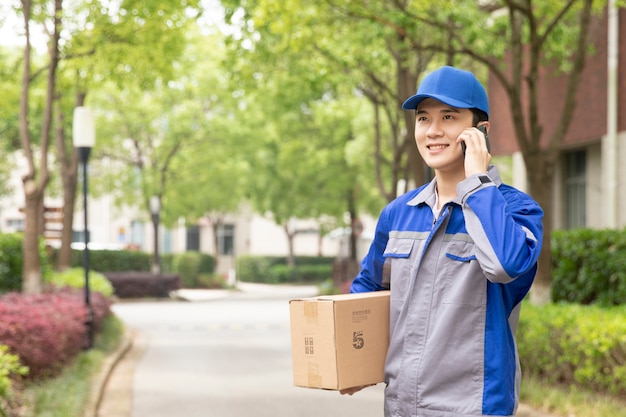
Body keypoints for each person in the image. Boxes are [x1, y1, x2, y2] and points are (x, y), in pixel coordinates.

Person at [342, 66, 544, 417]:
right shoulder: (398, 213)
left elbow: (505, 265)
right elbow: (368, 291)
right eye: (423, 119)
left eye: (448, 117)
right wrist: (350, 361)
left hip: (473, 408)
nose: (433, 131)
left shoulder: (516, 209)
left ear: (480, 131)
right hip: (402, 407)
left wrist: (477, 184)